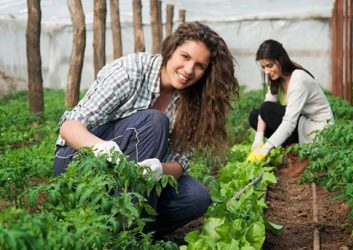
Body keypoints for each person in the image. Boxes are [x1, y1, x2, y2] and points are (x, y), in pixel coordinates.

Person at [54, 21, 239, 238]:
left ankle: (127, 233)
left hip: (130, 177)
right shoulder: (130, 71)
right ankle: (130, 229)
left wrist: (159, 169)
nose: (189, 70)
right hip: (79, 162)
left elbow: (181, 161)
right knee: (154, 121)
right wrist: (101, 147)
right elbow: (69, 126)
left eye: (200, 66)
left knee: (196, 197)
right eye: (185, 57)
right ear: (171, 50)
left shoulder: (194, 101)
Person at [249, 39, 333, 155]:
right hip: (301, 125)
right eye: (263, 67)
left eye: (270, 65)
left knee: (267, 109)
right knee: (255, 116)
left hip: (316, 129)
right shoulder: (276, 79)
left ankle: (292, 147)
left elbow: (289, 122)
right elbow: (265, 107)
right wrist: (258, 140)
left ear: (281, 59)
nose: (267, 71)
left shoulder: (298, 79)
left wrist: (266, 148)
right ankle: (287, 146)